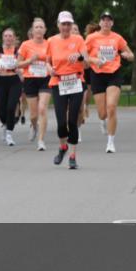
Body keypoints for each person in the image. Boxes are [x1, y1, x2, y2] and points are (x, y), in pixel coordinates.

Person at [46, 11, 91, 169]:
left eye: (68, 24)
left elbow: (87, 63)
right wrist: (49, 69)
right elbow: (47, 61)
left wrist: (79, 56)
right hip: (58, 82)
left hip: (76, 82)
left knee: (72, 120)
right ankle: (63, 147)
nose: (66, 27)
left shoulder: (78, 40)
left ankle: (72, 156)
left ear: (72, 25)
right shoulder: (51, 41)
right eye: (63, 24)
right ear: (58, 25)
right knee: (61, 123)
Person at [85, 11, 134, 153]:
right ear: (100, 23)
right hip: (97, 75)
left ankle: (110, 142)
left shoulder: (117, 38)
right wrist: (94, 60)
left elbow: (132, 55)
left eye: (109, 20)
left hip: (114, 74)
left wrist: (127, 55)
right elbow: (83, 56)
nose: (106, 22)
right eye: (104, 20)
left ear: (112, 23)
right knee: (103, 113)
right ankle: (102, 120)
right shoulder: (91, 38)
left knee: (111, 107)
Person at [17, 19, 50, 151]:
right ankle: (34, 126)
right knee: (33, 115)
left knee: (42, 108)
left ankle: (41, 140)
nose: (39, 29)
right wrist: (30, 60)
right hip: (30, 79)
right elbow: (18, 64)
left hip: (45, 78)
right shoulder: (25, 45)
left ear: (45, 30)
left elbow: (54, 61)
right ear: (32, 30)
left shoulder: (50, 44)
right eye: (36, 27)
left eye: (41, 27)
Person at [0, 29, 22, 146]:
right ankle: (5, 124)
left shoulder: (18, 51)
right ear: (3, 38)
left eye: (10, 36)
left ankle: (9, 133)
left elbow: (23, 66)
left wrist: (19, 70)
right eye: (6, 36)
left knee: (11, 107)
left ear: (14, 38)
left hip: (14, 81)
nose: (8, 38)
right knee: (2, 110)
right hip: (1, 81)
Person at [78, 22, 100, 138]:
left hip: (91, 67)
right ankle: (84, 106)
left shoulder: (96, 40)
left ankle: (85, 105)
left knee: (88, 89)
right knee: (86, 89)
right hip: (85, 66)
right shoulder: (88, 40)